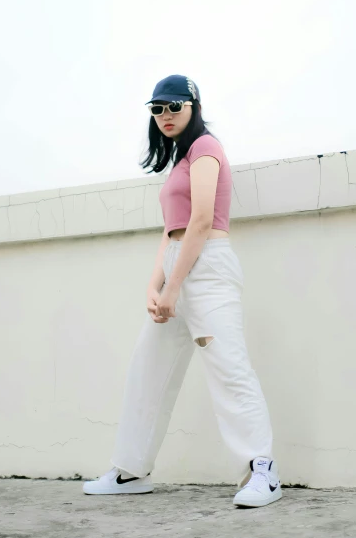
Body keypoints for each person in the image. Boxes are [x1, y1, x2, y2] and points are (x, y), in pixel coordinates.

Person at [83, 74, 282, 508]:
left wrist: (174, 287)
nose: (165, 116)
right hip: (180, 264)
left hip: (208, 269)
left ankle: (262, 471)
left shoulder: (206, 148)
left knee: (229, 368)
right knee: (147, 368)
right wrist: (154, 285)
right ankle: (130, 471)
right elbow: (171, 230)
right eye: (157, 109)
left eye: (173, 107)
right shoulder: (181, 160)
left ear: (192, 106)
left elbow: (203, 220)